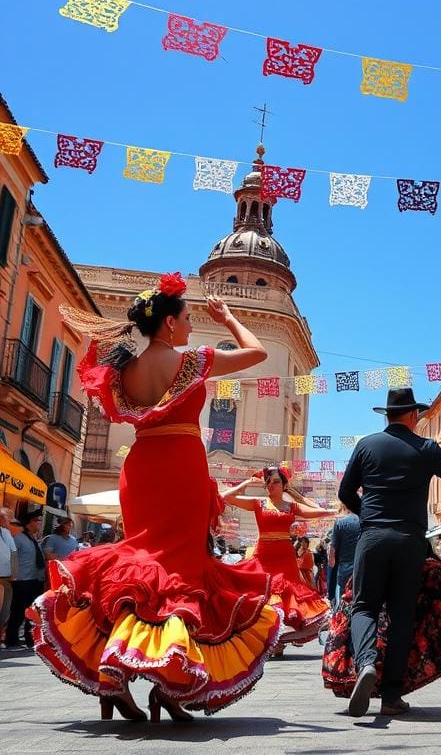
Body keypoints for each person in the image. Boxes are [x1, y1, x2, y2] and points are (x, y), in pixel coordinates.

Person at [29, 274, 282, 721]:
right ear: (168, 323)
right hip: (181, 465)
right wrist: (229, 319)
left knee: (140, 562)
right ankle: (167, 680)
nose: (190, 325)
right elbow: (257, 353)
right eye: (186, 318)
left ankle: (116, 677)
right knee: (178, 571)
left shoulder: (123, 367)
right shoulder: (191, 361)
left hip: (141, 466)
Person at [336, 387, 441, 717]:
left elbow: (346, 492)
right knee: (402, 614)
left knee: (365, 607)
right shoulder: (425, 447)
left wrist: (369, 516)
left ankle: (367, 663)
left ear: (387, 415)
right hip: (410, 541)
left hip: (372, 537)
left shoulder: (366, 445)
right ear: (414, 415)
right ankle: (391, 696)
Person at [221, 469, 334, 651]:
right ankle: (267, 638)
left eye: (275, 482)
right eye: (269, 482)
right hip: (263, 556)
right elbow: (223, 497)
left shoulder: (291, 507)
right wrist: (246, 484)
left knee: (286, 598)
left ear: (283, 485)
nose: (271, 485)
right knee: (263, 596)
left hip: (285, 558)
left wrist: (294, 494)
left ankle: (279, 638)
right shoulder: (259, 503)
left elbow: (319, 511)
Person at [8, 510, 45, 650]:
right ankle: (11, 639)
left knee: (32, 610)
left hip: (34, 579)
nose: (39, 524)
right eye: (37, 521)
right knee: (18, 610)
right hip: (21, 580)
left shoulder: (34, 539)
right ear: (29, 523)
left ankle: (30, 638)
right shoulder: (19, 538)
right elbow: (11, 556)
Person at [328, 512, 361, 605]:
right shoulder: (368, 521)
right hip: (365, 570)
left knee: (345, 603)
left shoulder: (340, 522)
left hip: (345, 571)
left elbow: (332, 555)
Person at [0, 508, 17, 648]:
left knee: (4, 610)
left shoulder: (5, 533)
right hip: (3, 577)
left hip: (5, 577)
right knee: (3, 609)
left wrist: (14, 573)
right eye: (7, 519)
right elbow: (13, 553)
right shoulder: (5, 532)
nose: (9, 522)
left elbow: (13, 553)